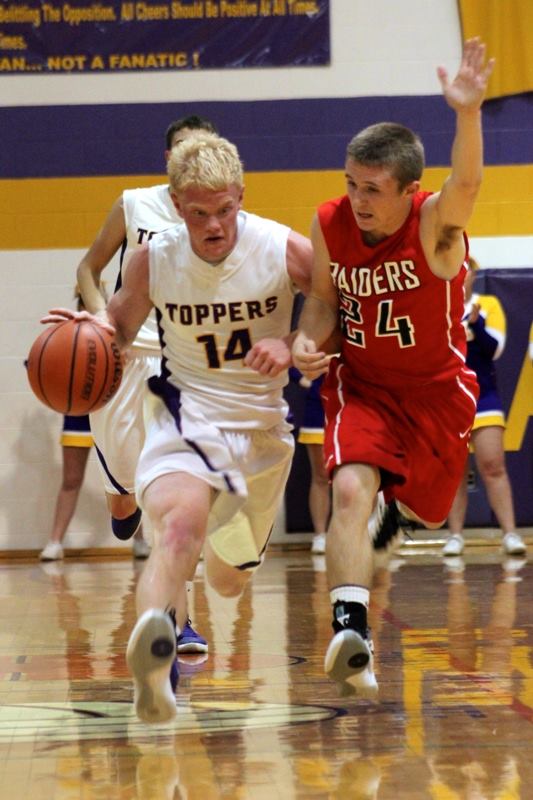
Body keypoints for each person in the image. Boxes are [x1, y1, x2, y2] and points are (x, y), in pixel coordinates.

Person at [44, 132, 314, 723]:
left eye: (224, 210)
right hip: (182, 418)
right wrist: (86, 333)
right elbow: (117, 329)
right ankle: (153, 660)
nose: (213, 225)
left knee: (227, 581)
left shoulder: (284, 248)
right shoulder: (153, 258)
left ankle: (218, 572)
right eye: (198, 213)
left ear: (241, 196)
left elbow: (335, 308)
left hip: (258, 434)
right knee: (175, 530)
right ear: (175, 204)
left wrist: (294, 342)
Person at [291, 37, 494, 698]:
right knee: (350, 489)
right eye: (351, 183)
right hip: (364, 387)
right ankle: (351, 632)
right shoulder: (330, 223)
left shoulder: (435, 226)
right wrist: (306, 339)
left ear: (410, 190)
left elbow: (467, 183)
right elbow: (323, 299)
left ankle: (398, 517)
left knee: (430, 515)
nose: (357, 199)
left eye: (372, 189)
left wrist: (468, 113)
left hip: (437, 394)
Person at [76, 114, 217, 653]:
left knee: (173, 500)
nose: (192, 160)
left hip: (181, 367)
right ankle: (120, 497)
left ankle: (180, 621)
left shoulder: (219, 217)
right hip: (123, 360)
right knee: (128, 502)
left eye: (202, 150)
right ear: (168, 159)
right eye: (184, 150)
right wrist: (100, 318)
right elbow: (88, 269)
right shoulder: (135, 204)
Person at [443, 257, 525, 557]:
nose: (460, 276)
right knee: (455, 471)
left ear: (473, 276)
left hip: (484, 397)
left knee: (493, 466)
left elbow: (495, 349)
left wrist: (476, 323)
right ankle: (455, 536)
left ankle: (510, 534)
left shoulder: (487, 305)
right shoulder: (438, 308)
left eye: (465, 272)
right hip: (450, 401)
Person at [290, 371, 330, 554]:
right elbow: (287, 358)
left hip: (352, 403)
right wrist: (301, 378)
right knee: (321, 475)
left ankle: (365, 533)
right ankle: (320, 535)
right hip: (318, 406)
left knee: (358, 473)